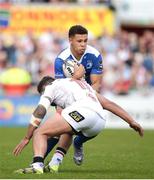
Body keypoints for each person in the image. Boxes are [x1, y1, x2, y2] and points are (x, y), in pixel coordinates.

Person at [13, 76, 144, 174]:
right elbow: (108, 104)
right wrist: (131, 121)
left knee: (39, 132)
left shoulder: (50, 87)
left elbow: (40, 111)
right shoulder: (81, 85)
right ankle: (55, 163)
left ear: (44, 88)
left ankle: (37, 166)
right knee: (67, 129)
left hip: (83, 112)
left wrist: (26, 137)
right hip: (99, 123)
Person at [44, 24, 103, 168]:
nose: (83, 44)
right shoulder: (61, 60)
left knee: (95, 127)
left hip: (89, 95)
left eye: (85, 41)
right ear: (70, 40)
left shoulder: (94, 55)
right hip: (68, 95)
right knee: (60, 125)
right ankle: (44, 161)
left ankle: (78, 143)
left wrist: (84, 97)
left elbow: (96, 84)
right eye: (79, 41)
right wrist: (62, 108)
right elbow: (61, 87)